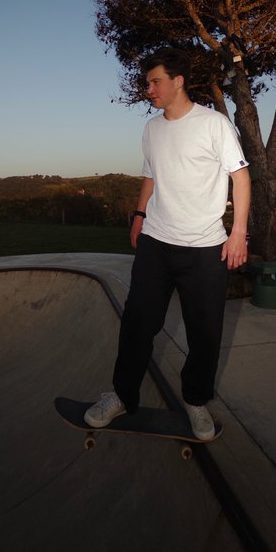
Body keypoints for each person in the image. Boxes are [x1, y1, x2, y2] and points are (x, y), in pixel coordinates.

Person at [85, 47, 251, 440]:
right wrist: (139, 216)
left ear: (178, 81)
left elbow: (240, 178)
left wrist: (238, 232)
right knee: (138, 323)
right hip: (156, 243)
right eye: (147, 83)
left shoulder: (214, 125)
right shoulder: (151, 129)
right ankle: (123, 395)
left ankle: (195, 401)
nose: (149, 90)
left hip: (205, 248)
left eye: (155, 81)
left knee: (204, 332)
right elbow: (150, 177)